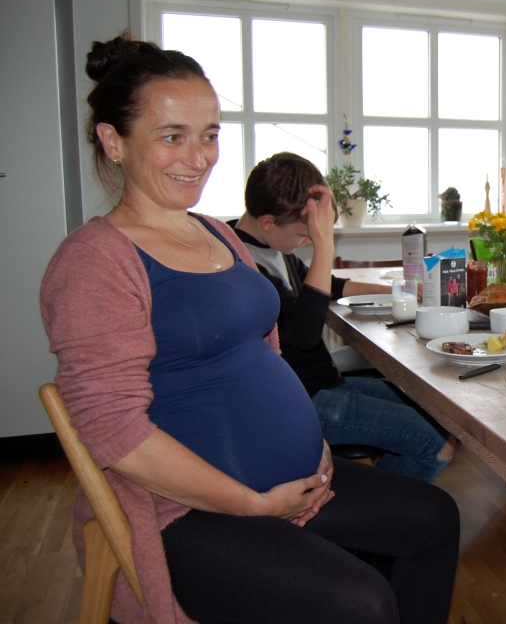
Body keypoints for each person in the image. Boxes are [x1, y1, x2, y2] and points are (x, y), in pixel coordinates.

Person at [40, 32, 458, 624]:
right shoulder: (93, 262)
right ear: (113, 140)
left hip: (295, 481)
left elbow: (270, 351)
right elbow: (113, 432)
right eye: (172, 136)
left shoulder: (216, 233)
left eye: (209, 134)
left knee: (435, 519)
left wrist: (311, 444)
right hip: (190, 508)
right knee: (361, 604)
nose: (199, 156)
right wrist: (250, 503)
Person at [230, 152, 455, 483]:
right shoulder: (246, 265)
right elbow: (303, 334)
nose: (307, 241)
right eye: (304, 235)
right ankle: (380, 516)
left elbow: (328, 285)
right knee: (436, 445)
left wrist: (405, 290)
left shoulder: (273, 246)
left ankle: (381, 497)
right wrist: (324, 246)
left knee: (442, 419)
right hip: (303, 401)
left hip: (323, 384)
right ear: (268, 222)